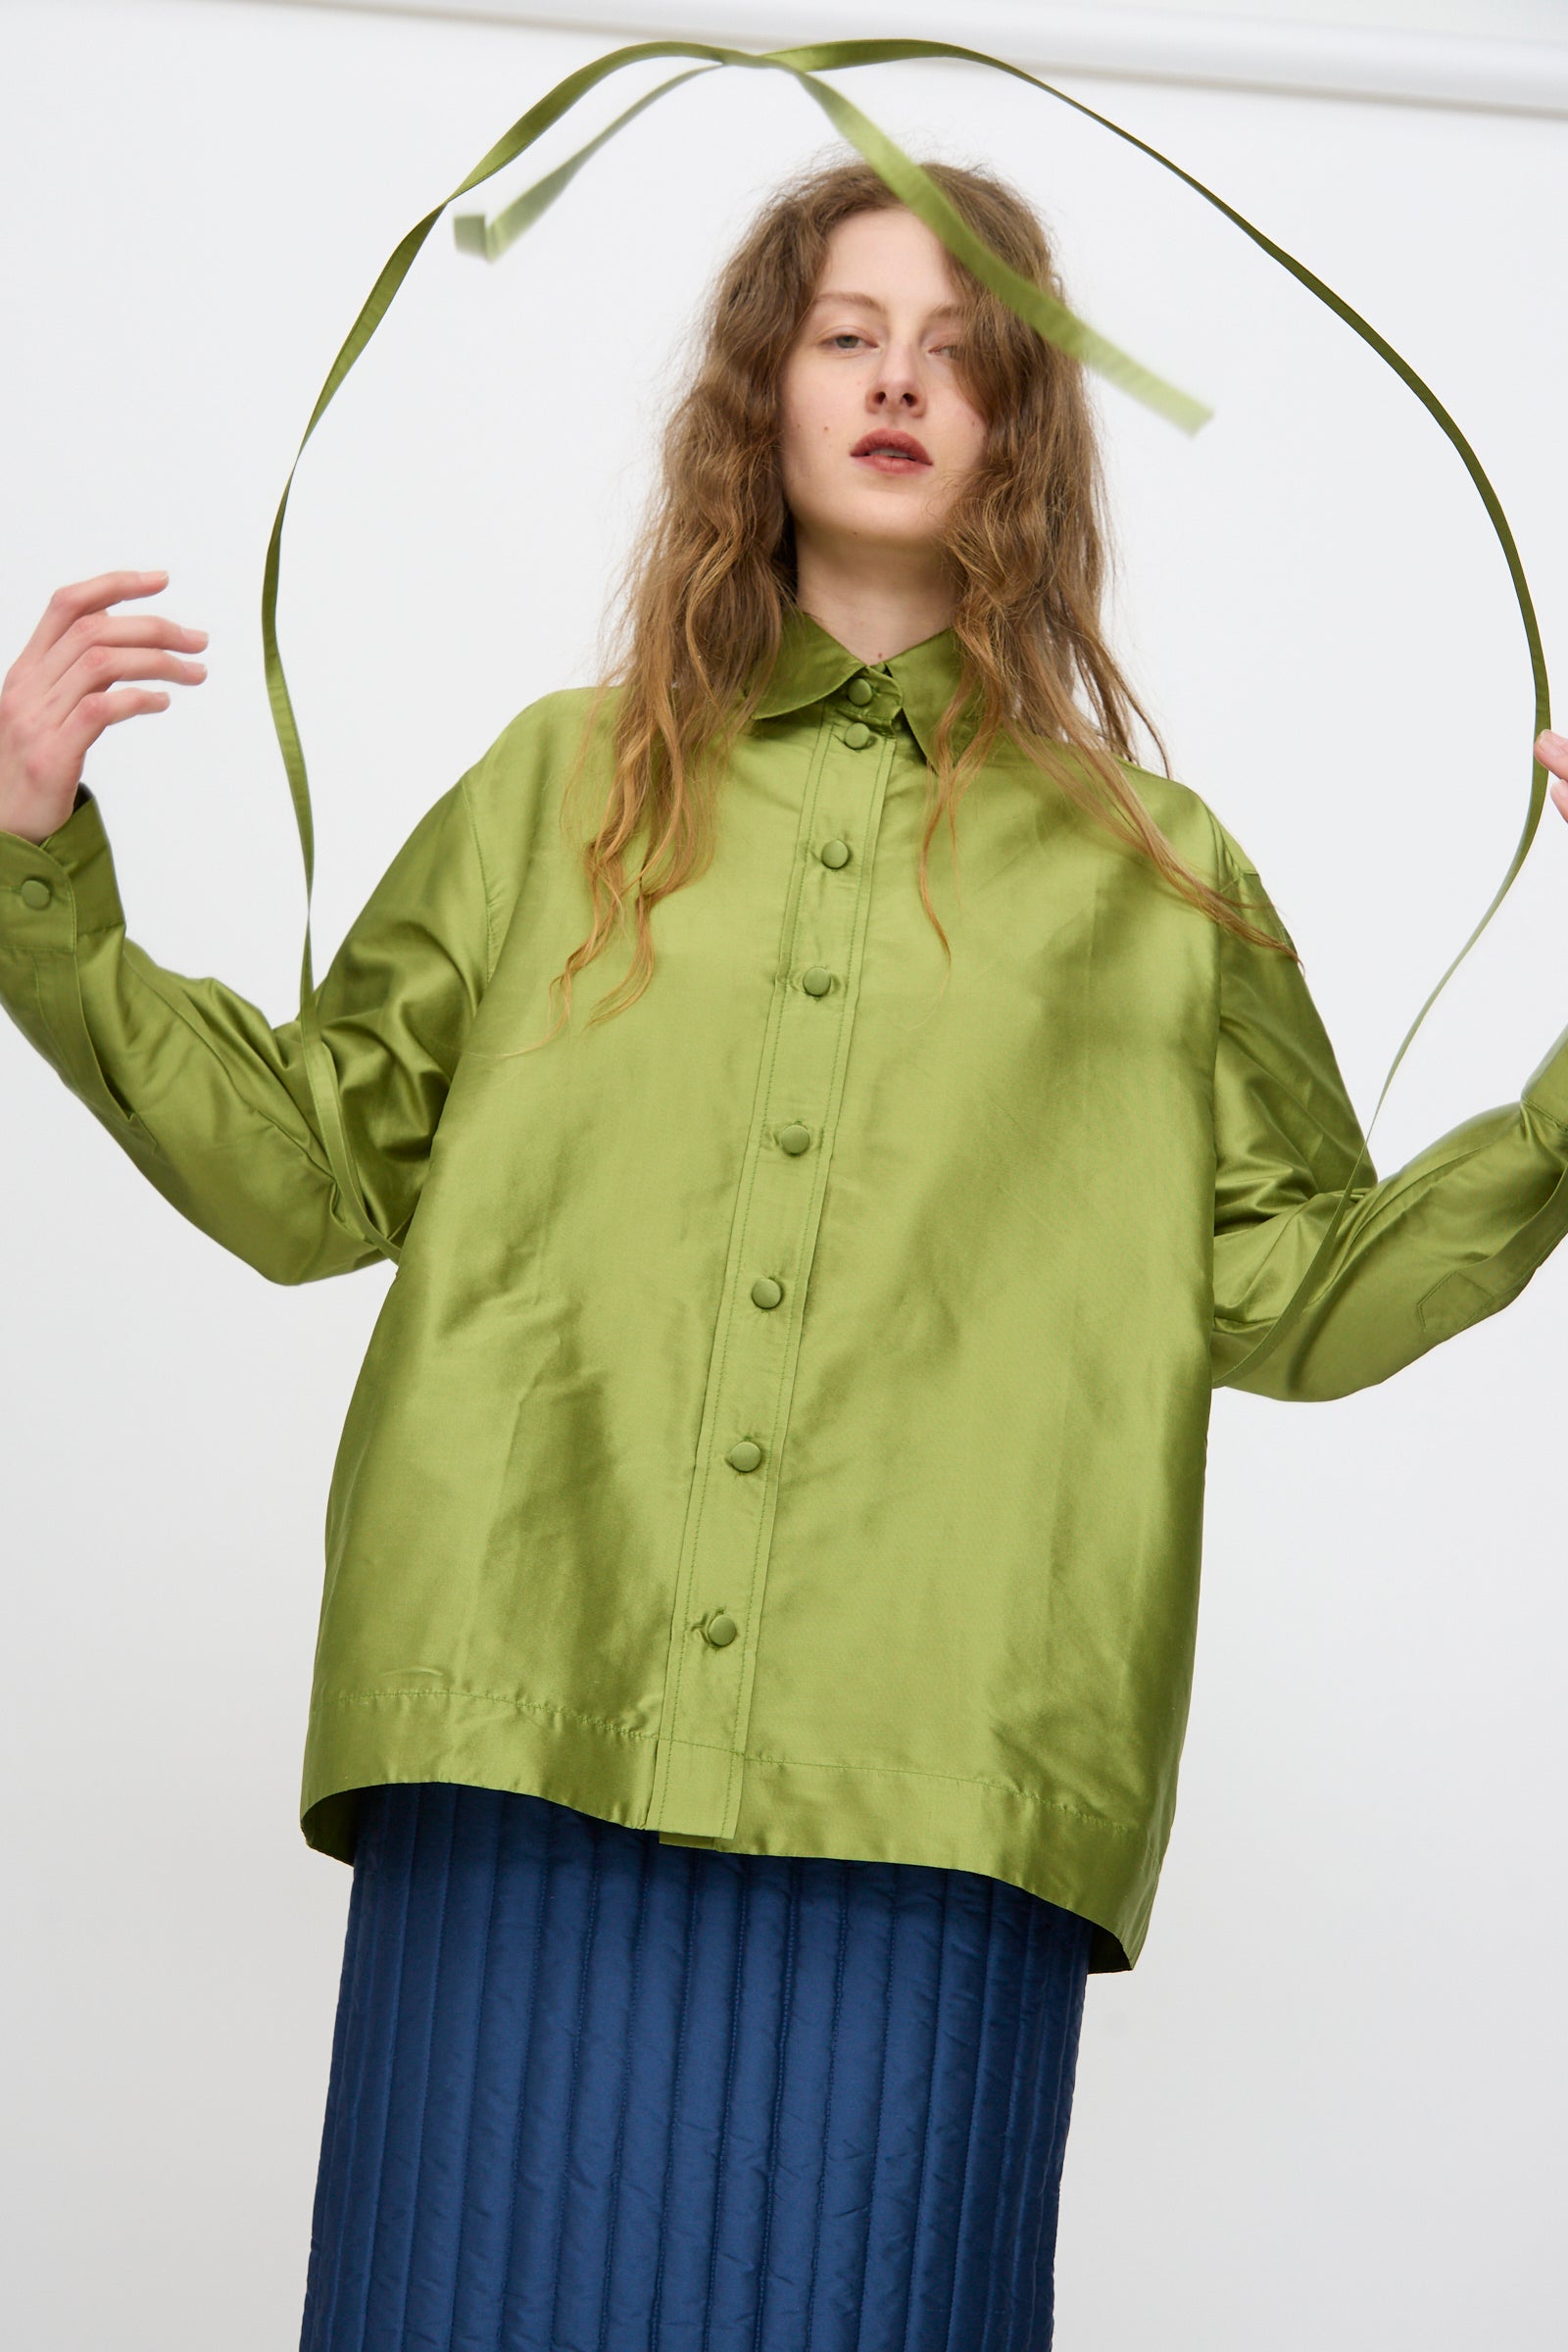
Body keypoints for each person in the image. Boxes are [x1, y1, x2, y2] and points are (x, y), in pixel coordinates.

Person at [2, 154, 1566, 2351]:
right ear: (762, 393)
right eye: (846, 334)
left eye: (958, 346)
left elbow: (1296, 1287)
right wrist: (36, 870)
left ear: (1026, 418)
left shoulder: (1152, 879)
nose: (900, 382)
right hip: (512, 1751)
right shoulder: (554, 794)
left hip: (939, 1789)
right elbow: (303, 1174)